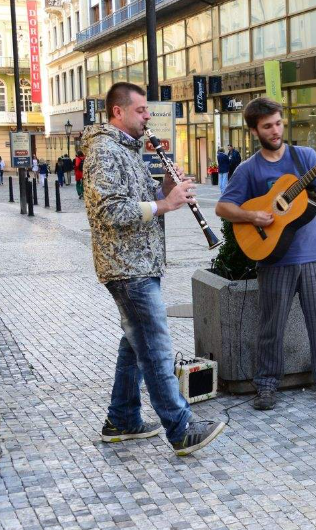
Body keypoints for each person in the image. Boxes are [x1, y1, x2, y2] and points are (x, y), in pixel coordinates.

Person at [83, 82, 226, 456]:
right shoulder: (103, 151)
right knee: (156, 350)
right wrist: (165, 206)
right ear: (119, 111)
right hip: (126, 267)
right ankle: (180, 430)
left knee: (135, 345)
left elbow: (144, 200)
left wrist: (166, 188)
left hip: (141, 262)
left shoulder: (128, 150)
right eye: (142, 110)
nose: (148, 116)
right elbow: (109, 211)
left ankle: (123, 419)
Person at [215, 97, 316, 411]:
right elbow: (223, 206)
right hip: (274, 259)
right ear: (256, 130)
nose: (275, 130)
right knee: (271, 327)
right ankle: (267, 386)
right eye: (267, 125)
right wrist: (254, 217)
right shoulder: (249, 168)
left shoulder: (304, 157)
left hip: (313, 255)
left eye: (278, 123)